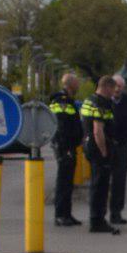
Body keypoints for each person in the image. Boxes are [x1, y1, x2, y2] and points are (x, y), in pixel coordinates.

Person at [81, 75, 123, 235]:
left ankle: (96, 219)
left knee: (96, 184)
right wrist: (104, 152)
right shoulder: (101, 103)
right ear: (106, 87)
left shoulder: (88, 100)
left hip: (89, 145)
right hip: (99, 148)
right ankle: (97, 221)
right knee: (101, 186)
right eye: (113, 89)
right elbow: (98, 130)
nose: (113, 93)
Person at [49, 72, 83, 227]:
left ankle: (67, 214)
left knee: (68, 182)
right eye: (77, 83)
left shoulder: (68, 100)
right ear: (71, 84)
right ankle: (60, 215)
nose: (79, 85)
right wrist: (66, 147)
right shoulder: (62, 101)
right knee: (63, 182)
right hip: (64, 147)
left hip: (69, 146)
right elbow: (62, 127)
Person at [106, 79, 127, 226]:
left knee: (120, 180)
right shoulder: (105, 101)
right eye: (115, 86)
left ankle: (116, 212)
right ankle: (100, 214)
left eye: (120, 86)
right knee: (104, 180)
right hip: (108, 145)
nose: (117, 89)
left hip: (123, 146)